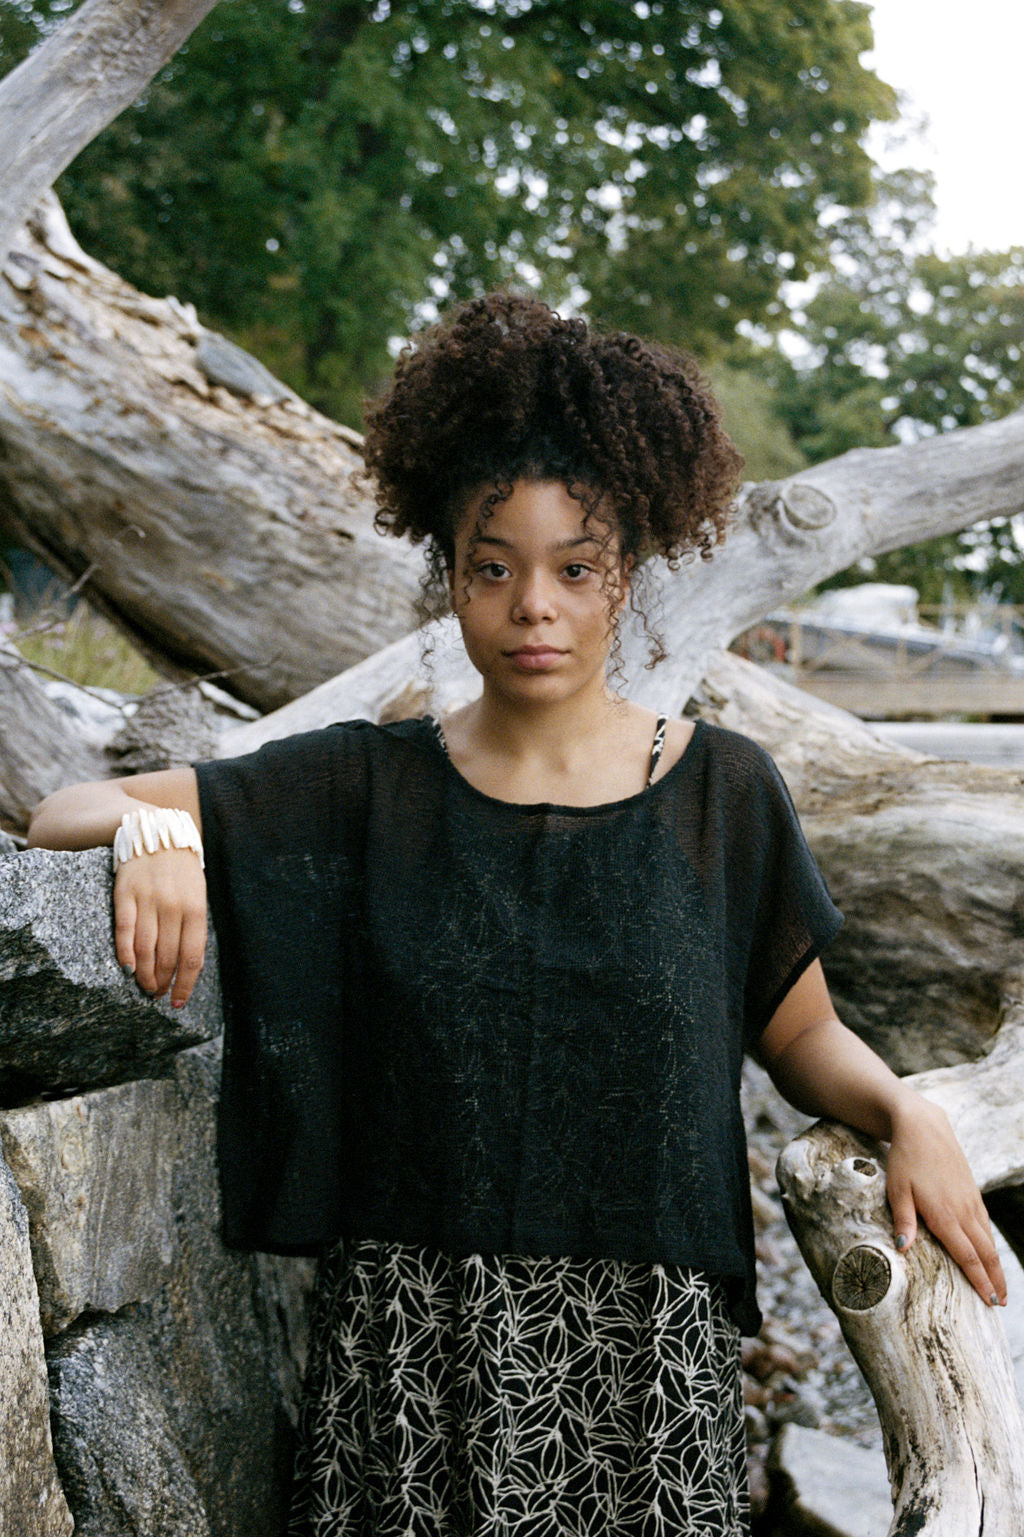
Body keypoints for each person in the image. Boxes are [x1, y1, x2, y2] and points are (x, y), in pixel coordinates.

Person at [28, 293, 1005, 1537]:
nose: (532, 605)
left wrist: (905, 1108)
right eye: (494, 567)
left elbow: (794, 1033)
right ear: (449, 576)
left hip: (643, 1372)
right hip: (406, 1363)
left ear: (626, 581)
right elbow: (66, 805)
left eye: (574, 569)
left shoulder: (724, 795)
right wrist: (163, 826)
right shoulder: (362, 786)